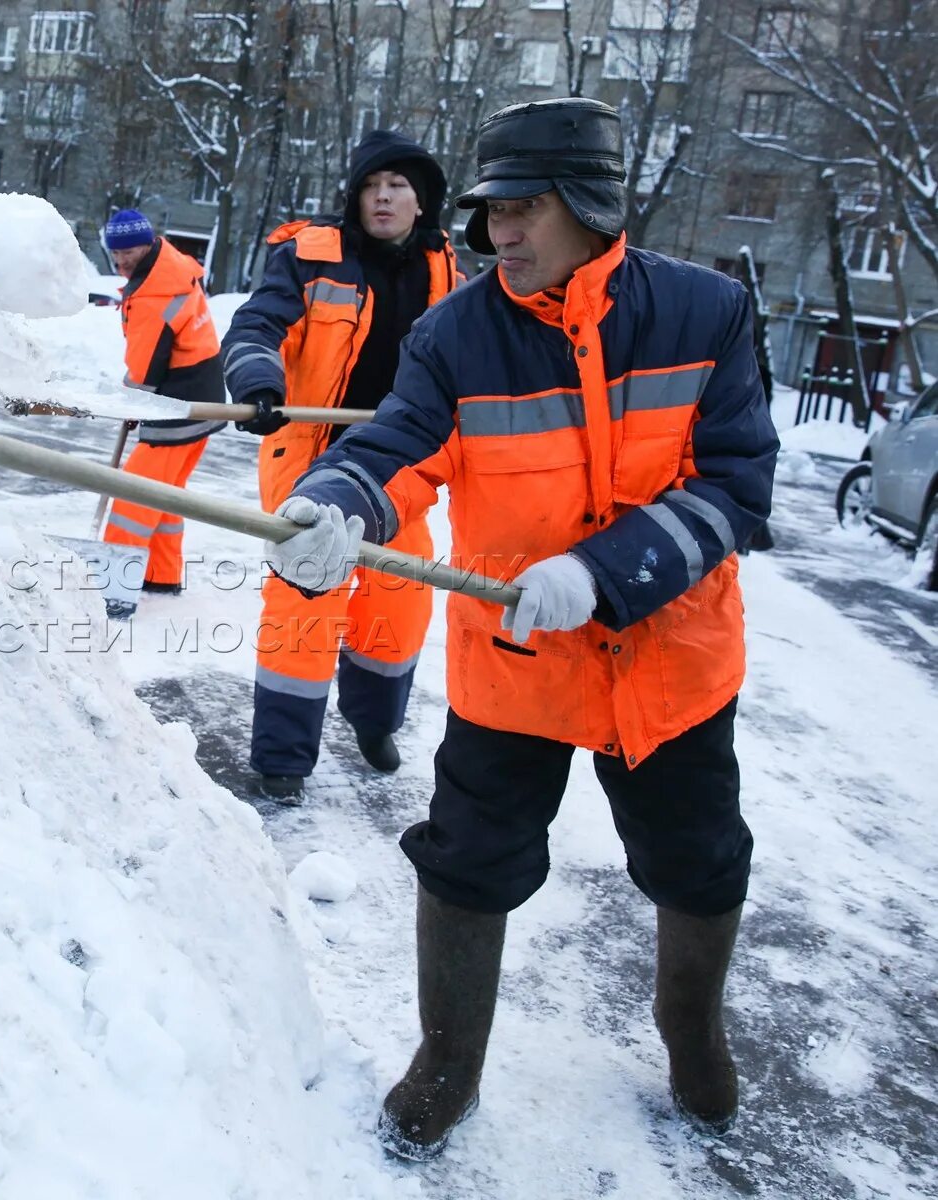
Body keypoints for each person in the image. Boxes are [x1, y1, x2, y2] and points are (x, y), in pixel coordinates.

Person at [263, 98, 777, 1159]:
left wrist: (605, 573)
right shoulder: (457, 332)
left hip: (670, 663)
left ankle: (690, 1029)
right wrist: (337, 506)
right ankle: (446, 1062)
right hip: (515, 659)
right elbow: (398, 445)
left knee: (697, 858)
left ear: (588, 207)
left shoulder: (704, 313)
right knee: (466, 860)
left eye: (526, 207)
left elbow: (734, 486)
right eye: (493, 206)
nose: (500, 231)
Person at [222, 131, 462, 794]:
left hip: (401, 465)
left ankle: (372, 720)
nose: (381, 197)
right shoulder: (309, 257)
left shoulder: (452, 275)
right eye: (369, 186)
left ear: (423, 202)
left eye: (398, 186)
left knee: (401, 595)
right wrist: (259, 384)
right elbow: (255, 325)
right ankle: (281, 757)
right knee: (306, 599)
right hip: (313, 455)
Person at [98, 208, 224, 594]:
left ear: (148, 244)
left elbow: (145, 367)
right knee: (165, 497)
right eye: (115, 254)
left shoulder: (154, 293)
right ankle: (160, 575)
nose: (121, 261)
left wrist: (131, 402)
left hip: (178, 409)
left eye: (129, 253)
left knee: (134, 497)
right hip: (202, 403)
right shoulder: (168, 267)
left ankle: (113, 587)